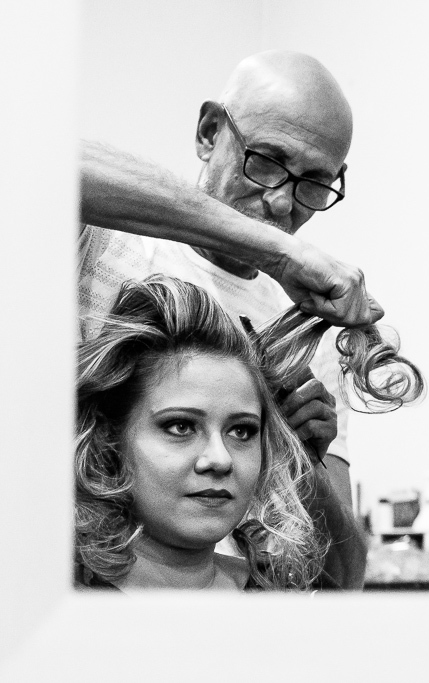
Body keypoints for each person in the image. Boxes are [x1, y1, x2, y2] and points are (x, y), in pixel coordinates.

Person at [78, 50, 375, 587]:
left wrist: (302, 459)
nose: (281, 202)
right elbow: (36, 161)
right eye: (266, 160)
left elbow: (342, 578)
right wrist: (275, 251)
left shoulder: (307, 335)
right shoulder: (109, 243)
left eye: (314, 182)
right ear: (209, 132)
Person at [75, 275, 330, 591]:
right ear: (109, 439)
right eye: (180, 427)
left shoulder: (281, 597)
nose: (220, 460)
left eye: (241, 431)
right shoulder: (54, 601)